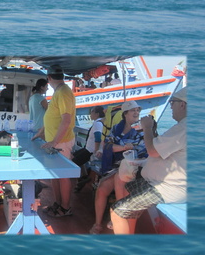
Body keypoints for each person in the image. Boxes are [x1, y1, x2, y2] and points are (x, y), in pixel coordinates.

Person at [110, 88, 187, 234]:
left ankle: (121, 223)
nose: (171, 106)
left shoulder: (183, 128)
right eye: (132, 110)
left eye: (172, 102)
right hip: (155, 178)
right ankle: (129, 228)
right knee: (127, 187)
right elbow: (108, 146)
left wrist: (147, 128)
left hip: (168, 188)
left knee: (116, 210)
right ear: (125, 114)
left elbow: (152, 151)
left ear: (182, 105)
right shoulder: (116, 129)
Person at [32, 65, 76, 217]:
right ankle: (58, 204)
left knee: (63, 176)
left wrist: (54, 142)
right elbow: (53, 117)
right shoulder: (59, 92)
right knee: (56, 175)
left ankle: (65, 208)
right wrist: (41, 132)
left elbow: (66, 120)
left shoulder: (63, 93)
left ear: (49, 78)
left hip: (61, 142)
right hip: (55, 141)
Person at [74, 105, 105, 192]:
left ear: (97, 114)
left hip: (90, 151)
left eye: (91, 112)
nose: (90, 114)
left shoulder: (97, 124)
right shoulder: (98, 122)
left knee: (74, 162)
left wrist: (95, 151)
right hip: (87, 149)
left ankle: (82, 180)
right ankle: (84, 176)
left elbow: (98, 137)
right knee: (74, 157)